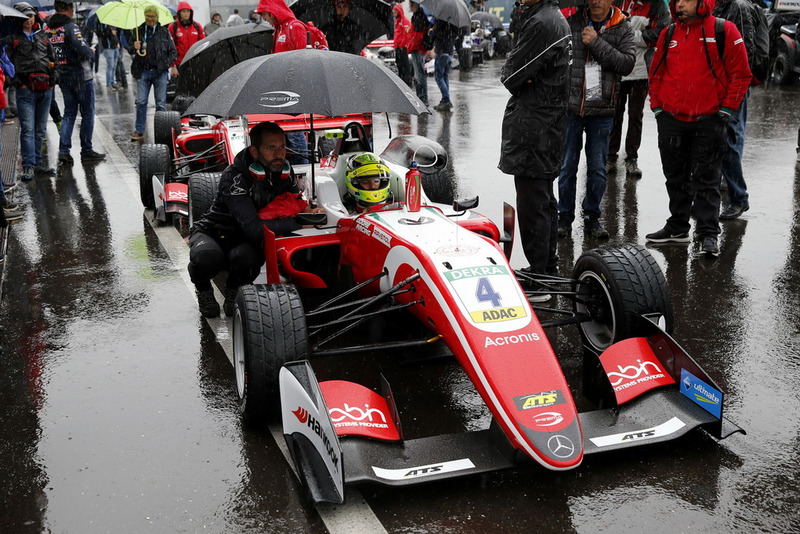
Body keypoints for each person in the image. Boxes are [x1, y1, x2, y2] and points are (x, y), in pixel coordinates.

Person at [646, 0, 750, 257]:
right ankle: (678, 227)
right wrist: (658, 107)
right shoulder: (668, 33)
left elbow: (741, 74)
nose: (680, 4)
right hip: (671, 119)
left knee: (707, 181)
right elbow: (656, 73)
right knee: (676, 177)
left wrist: (725, 110)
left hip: (709, 120)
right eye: (677, 0)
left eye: (687, 0)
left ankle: (707, 234)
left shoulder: (724, 31)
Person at [188, 122, 322, 318]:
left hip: (243, 241)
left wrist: (309, 210)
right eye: (271, 148)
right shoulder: (234, 177)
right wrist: (301, 221)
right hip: (214, 233)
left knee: (250, 259)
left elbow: (294, 203)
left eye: (282, 147)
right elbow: (254, 229)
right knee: (205, 259)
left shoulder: (284, 170)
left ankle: (234, 288)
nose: (279, 153)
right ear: (254, 151)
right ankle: (203, 289)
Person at [498, 0, 571, 288]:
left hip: (536, 125)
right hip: (546, 122)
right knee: (543, 198)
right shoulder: (553, 18)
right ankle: (546, 268)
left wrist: (520, 74)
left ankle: (540, 275)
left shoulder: (542, 22)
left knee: (533, 201)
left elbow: (512, 74)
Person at [556, 0, 635, 239]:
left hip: (601, 111)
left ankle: (592, 217)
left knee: (598, 170)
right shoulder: (571, 23)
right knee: (567, 167)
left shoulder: (622, 26)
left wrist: (597, 43)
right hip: (571, 109)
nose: (596, 2)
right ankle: (564, 217)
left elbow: (627, 64)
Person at [607, 0, 670, 178]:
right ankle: (610, 156)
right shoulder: (617, 2)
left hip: (640, 71)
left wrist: (629, 35)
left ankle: (631, 158)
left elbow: (660, 35)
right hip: (617, 68)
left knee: (635, 116)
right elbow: (608, 30)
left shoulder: (657, 6)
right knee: (614, 114)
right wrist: (639, 35)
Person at [256, 0, 320, 162]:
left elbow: (304, 58)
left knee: (295, 129)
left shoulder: (294, 27)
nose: (264, 19)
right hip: (283, 87)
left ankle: (303, 170)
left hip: (294, 88)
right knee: (287, 129)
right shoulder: (279, 29)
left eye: (264, 14)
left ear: (272, 11)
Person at [713, 0, 759, 220]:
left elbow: (745, 50)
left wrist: (737, 86)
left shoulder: (738, 7)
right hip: (718, 84)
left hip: (733, 85)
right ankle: (719, 191)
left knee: (731, 140)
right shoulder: (716, 7)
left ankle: (739, 198)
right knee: (719, 141)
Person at [1, 2, 58, 180]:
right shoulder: (12, 39)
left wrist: (53, 80)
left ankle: (38, 163)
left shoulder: (42, 36)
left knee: (40, 129)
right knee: (27, 129)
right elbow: (6, 63)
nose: (29, 19)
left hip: (45, 89)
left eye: (31, 16)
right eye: (25, 16)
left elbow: (52, 59)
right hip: (25, 91)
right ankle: (28, 165)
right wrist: (19, 83)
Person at [46, 0, 105, 165]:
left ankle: (64, 151)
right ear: (68, 8)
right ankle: (86, 150)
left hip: (63, 76)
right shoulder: (71, 27)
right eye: (71, 8)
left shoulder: (48, 29)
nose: (73, 11)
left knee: (69, 114)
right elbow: (83, 50)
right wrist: (91, 51)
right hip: (81, 76)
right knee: (87, 114)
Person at [129, 6, 177, 141]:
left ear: (157, 17)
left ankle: (161, 132)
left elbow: (173, 52)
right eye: (148, 16)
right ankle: (139, 130)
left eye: (153, 16)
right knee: (141, 102)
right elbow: (129, 50)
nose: (151, 19)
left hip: (159, 72)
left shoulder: (164, 32)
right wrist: (134, 47)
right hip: (143, 71)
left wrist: (165, 64)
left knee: (161, 104)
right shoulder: (138, 31)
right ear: (145, 17)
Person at [169, 1, 205, 80]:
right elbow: (170, 47)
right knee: (181, 91)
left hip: (195, 63)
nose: (186, 14)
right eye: (183, 11)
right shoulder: (173, 27)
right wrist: (173, 66)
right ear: (179, 13)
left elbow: (203, 45)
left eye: (188, 11)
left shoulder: (197, 26)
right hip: (180, 64)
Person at [431, 18, 458, 111]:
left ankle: (446, 100)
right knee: (445, 76)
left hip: (441, 51)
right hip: (449, 51)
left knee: (439, 77)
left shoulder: (440, 21)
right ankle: (444, 99)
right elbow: (455, 35)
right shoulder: (452, 22)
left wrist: (431, 32)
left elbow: (435, 35)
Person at [407, 1, 429, 106]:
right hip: (420, 49)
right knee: (420, 74)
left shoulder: (418, 18)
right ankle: (422, 96)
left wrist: (410, 47)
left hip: (418, 50)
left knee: (419, 75)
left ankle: (422, 97)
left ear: (413, 5)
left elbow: (417, 37)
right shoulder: (420, 16)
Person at [96, 22, 121, 92]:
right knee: (111, 66)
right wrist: (110, 32)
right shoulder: (102, 24)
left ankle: (112, 82)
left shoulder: (112, 23)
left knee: (114, 66)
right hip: (108, 47)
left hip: (115, 47)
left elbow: (115, 35)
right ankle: (108, 84)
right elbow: (100, 34)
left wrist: (118, 42)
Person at [392, 2, 413, 87]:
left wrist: (402, 45)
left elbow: (407, 35)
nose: (394, 14)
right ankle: (402, 83)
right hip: (398, 47)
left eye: (395, 12)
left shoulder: (404, 21)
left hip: (402, 48)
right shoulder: (397, 21)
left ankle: (407, 83)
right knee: (399, 65)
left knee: (405, 66)